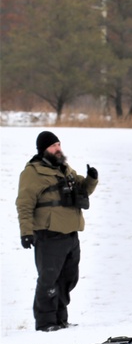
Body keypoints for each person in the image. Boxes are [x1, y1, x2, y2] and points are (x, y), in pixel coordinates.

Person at [16, 131, 99, 332]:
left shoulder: (64, 168)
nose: (58, 148)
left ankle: (61, 319)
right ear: (43, 149)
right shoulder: (33, 173)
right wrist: (26, 232)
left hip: (71, 233)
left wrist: (91, 179)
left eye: (59, 144)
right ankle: (45, 323)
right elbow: (24, 204)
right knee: (49, 280)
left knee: (69, 278)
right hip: (49, 233)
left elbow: (82, 189)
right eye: (53, 146)